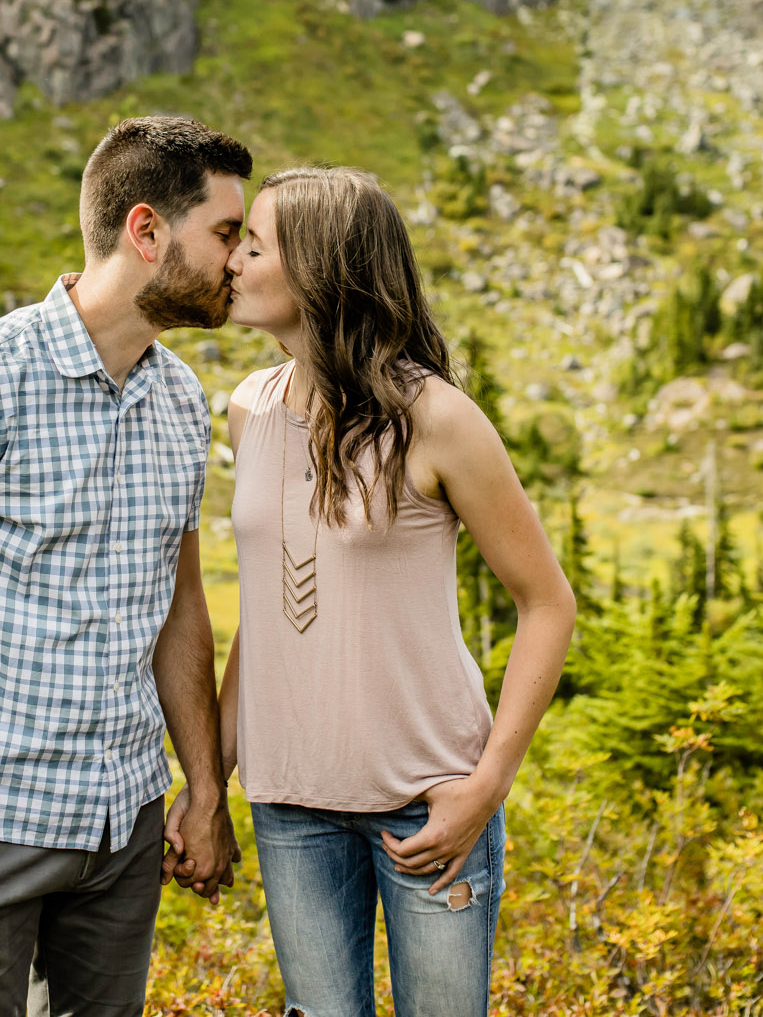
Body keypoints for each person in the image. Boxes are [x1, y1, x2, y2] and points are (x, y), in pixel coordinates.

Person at [0, 115, 250, 1017]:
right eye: (227, 233)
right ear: (147, 230)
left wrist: (205, 791)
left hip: (122, 833)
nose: (240, 260)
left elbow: (180, 610)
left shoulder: (181, 400)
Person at [216, 166, 575, 1017]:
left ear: (319, 270)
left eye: (255, 246)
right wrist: (209, 781)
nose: (232, 262)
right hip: (289, 803)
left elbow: (547, 602)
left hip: (430, 803)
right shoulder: (245, 410)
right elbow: (264, 617)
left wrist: (488, 782)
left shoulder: (436, 418)